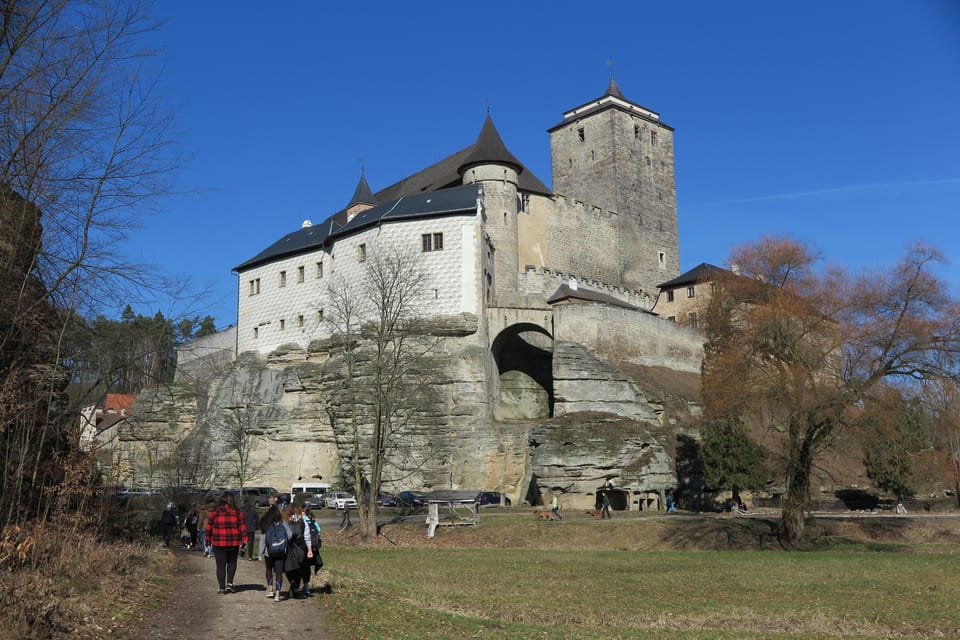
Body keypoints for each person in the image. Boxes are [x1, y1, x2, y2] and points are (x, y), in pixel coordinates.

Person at [205, 491, 245, 595]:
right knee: (232, 563)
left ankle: (221, 587)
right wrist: (244, 539)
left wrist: (207, 541)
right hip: (233, 542)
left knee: (220, 565)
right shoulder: (238, 512)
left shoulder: (215, 512)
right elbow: (242, 527)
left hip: (219, 542)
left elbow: (209, 528)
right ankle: (229, 583)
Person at [282, 504, 313, 599]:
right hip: (301, 547)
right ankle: (295, 587)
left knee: (289, 567)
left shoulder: (286, 521)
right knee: (299, 568)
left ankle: (292, 582)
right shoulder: (303, 521)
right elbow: (307, 536)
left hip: (289, 546)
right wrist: (309, 549)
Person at [260, 505, 285, 601]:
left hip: (268, 552)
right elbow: (290, 535)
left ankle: (270, 589)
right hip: (280, 552)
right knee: (279, 572)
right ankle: (278, 594)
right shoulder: (283, 524)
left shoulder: (266, 525)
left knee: (269, 570)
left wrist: (260, 553)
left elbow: (263, 540)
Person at [302, 506, 323, 596]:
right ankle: (306, 586)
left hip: (303, 547)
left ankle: (297, 586)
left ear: (303, 512)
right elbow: (319, 532)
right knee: (307, 568)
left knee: (302, 567)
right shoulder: (314, 522)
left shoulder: (301, 521)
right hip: (313, 549)